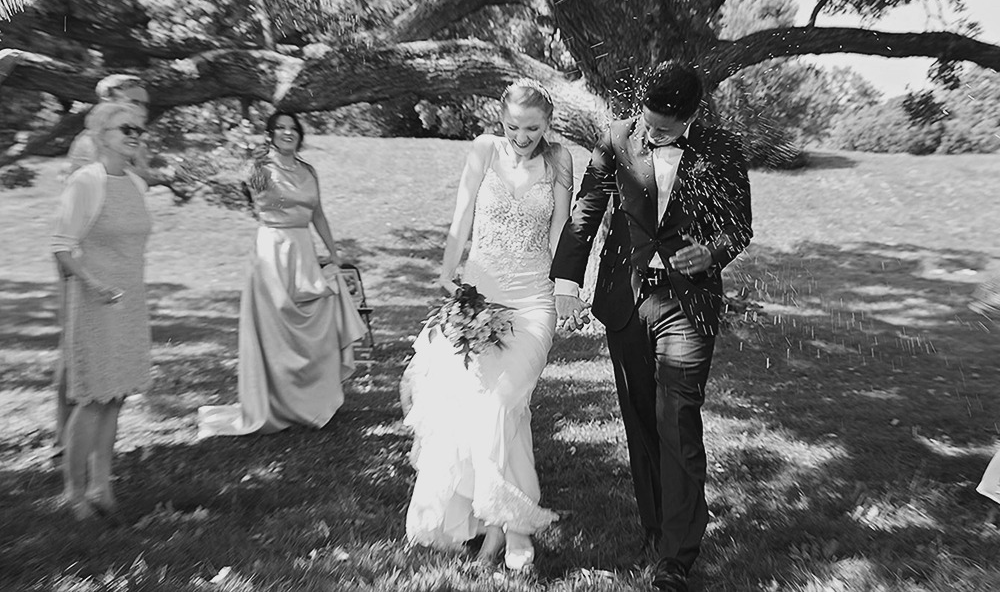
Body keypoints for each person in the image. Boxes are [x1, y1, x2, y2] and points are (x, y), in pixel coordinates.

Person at [550, 61, 752, 592]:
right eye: (650, 120)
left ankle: (677, 557)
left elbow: (738, 224)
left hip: (688, 304)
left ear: (692, 116)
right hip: (626, 300)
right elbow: (588, 206)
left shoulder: (722, 148)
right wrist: (566, 281)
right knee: (641, 417)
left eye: (666, 127)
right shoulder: (617, 138)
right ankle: (657, 526)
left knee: (677, 417)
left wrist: (712, 253)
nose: (653, 132)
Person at [401, 79, 573, 570]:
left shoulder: (560, 159)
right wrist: (445, 269)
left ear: (548, 124)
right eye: (514, 126)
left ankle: (501, 532)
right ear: (502, 121)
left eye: (533, 128)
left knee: (501, 402)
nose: (522, 137)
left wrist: (568, 286)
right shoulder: (482, 149)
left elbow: (560, 227)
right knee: (492, 410)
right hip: (480, 294)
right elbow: (463, 214)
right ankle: (510, 531)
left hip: (533, 299)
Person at [197, 112, 366, 437]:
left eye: (293, 129)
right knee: (275, 329)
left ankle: (308, 401)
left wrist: (333, 252)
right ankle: (272, 404)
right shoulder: (259, 168)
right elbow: (249, 195)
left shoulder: (308, 171)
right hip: (272, 249)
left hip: (302, 249)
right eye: (281, 129)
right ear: (270, 134)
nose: (288, 133)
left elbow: (317, 213)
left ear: (299, 135)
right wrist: (249, 159)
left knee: (315, 318)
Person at [52, 101, 153, 520]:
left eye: (138, 129)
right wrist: (95, 285)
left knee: (116, 398)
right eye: (124, 128)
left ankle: (102, 487)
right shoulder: (86, 182)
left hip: (130, 302)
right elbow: (61, 247)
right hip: (95, 301)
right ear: (100, 135)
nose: (134, 134)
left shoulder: (136, 183)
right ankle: (73, 494)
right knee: (92, 398)